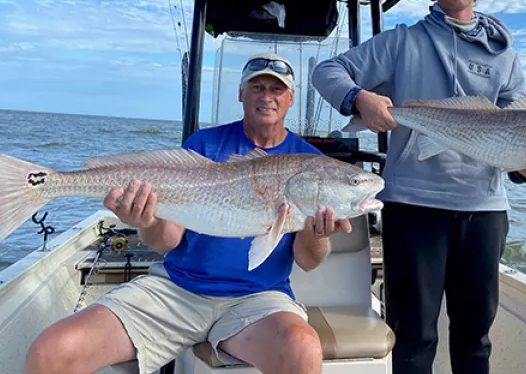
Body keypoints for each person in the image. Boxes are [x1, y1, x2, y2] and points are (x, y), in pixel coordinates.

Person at [310, 0, 526, 374]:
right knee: (415, 333)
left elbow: (519, 134)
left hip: (484, 211)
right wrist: (358, 98)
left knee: (475, 336)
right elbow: (326, 71)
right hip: (414, 206)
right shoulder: (401, 42)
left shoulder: (505, 57)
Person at [24, 52, 352, 374]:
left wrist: (317, 234)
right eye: (257, 87)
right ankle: (48, 183)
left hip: (258, 300)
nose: (267, 97)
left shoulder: (308, 162)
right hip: (177, 290)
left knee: (303, 350)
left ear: (290, 98)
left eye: (276, 89)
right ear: (241, 93)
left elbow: (308, 261)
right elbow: (167, 242)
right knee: (53, 351)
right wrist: (147, 221)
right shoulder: (204, 144)